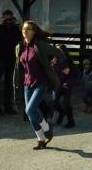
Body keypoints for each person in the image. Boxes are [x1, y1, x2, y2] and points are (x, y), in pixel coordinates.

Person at [15, 20, 62, 150]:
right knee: (31, 115)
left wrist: (53, 64)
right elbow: (18, 67)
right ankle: (41, 140)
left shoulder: (40, 45)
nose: (25, 31)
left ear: (34, 32)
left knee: (30, 110)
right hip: (27, 83)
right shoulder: (20, 47)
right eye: (24, 29)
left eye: (28, 29)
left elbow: (59, 53)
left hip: (41, 82)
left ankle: (47, 129)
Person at [0, 10, 21, 115]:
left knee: (9, 84)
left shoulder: (15, 28)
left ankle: (8, 106)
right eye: (6, 19)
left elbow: (19, 38)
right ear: (2, 19)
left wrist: (17, 25)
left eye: (10, 19)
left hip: (11, 58)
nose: (8, 21)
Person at [52, 45, 77, 128]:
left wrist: (67, 83)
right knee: (53, 102)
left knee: (66, 104)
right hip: (57, 85)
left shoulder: (68, 60)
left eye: (60, 50)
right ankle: (62, 113)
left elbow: (73, 74)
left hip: (66, 85)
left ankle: (71, 121)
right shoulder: (54, 60)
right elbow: (51, 73)